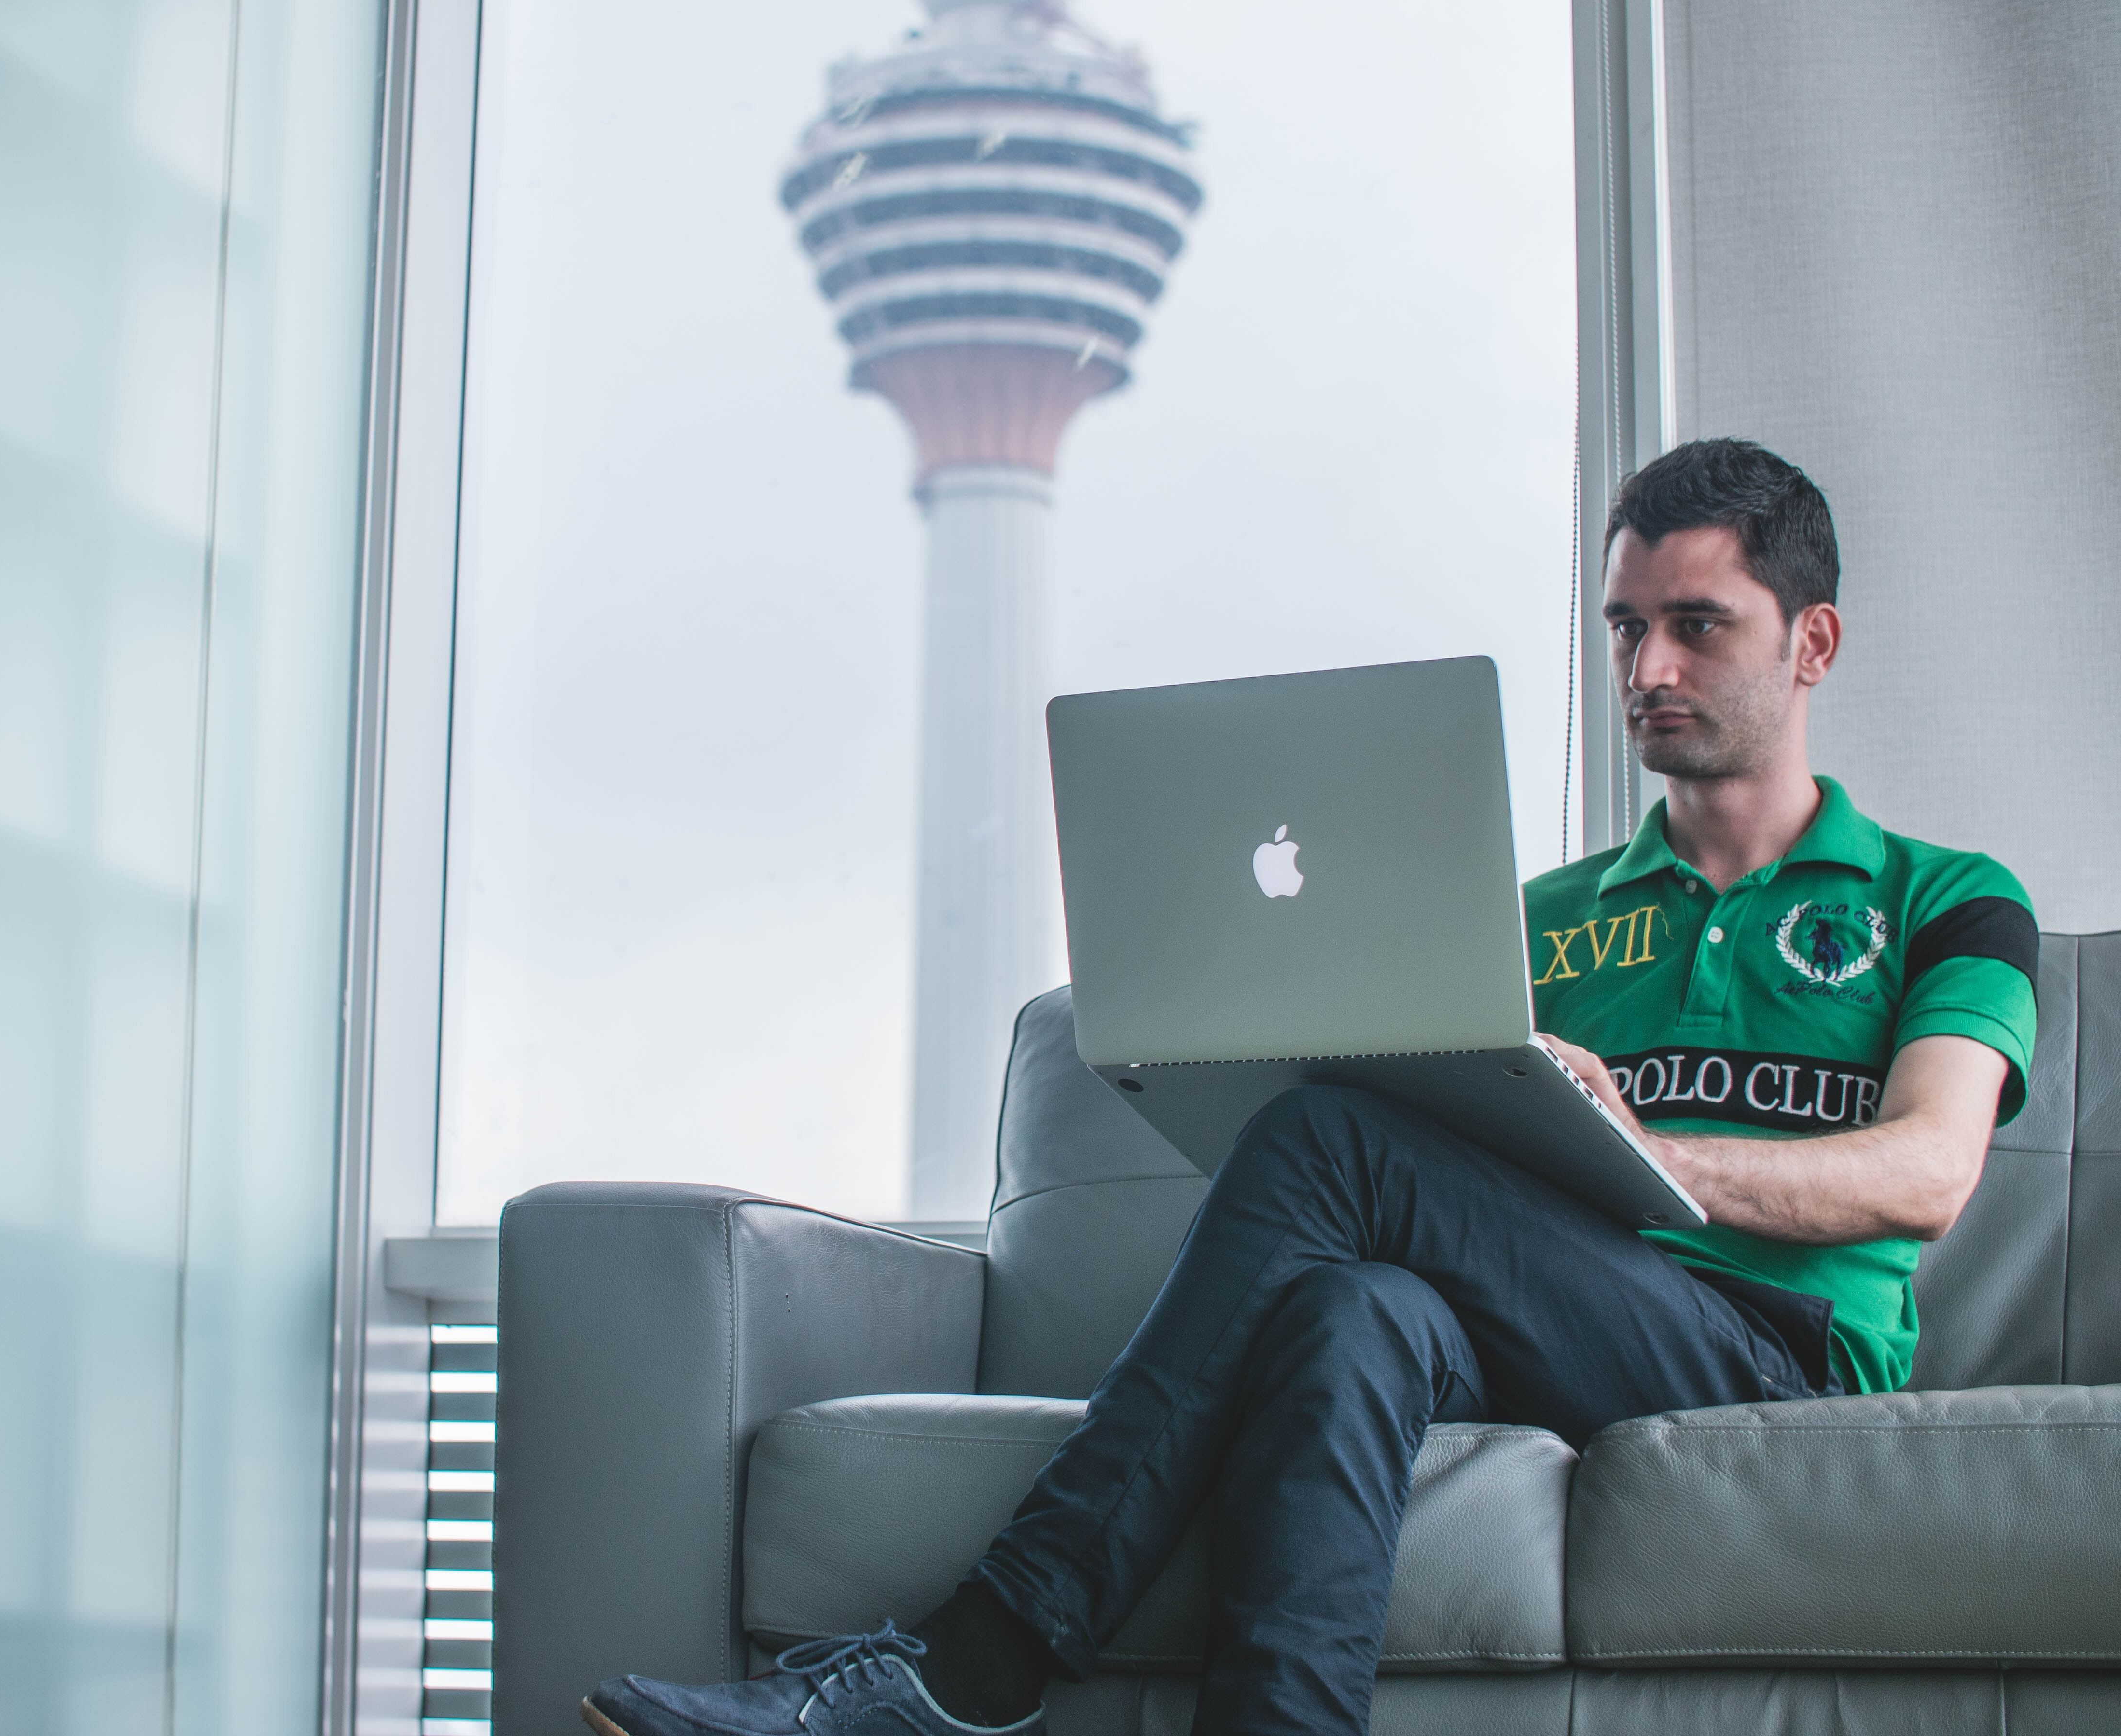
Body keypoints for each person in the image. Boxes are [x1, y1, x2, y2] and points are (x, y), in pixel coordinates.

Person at [582, 439, 2039, 1736]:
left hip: (1773, 1351)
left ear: (1815, 642)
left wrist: (1635, 1145)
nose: (1647, 669)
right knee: (1351, 1310)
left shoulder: (1947, 899)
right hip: (1552, 1320)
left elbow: (1928, 1170)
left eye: (1697, 628)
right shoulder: (1540, 918)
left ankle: (984, 1652)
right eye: (1626, 627)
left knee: (1333, 1143)